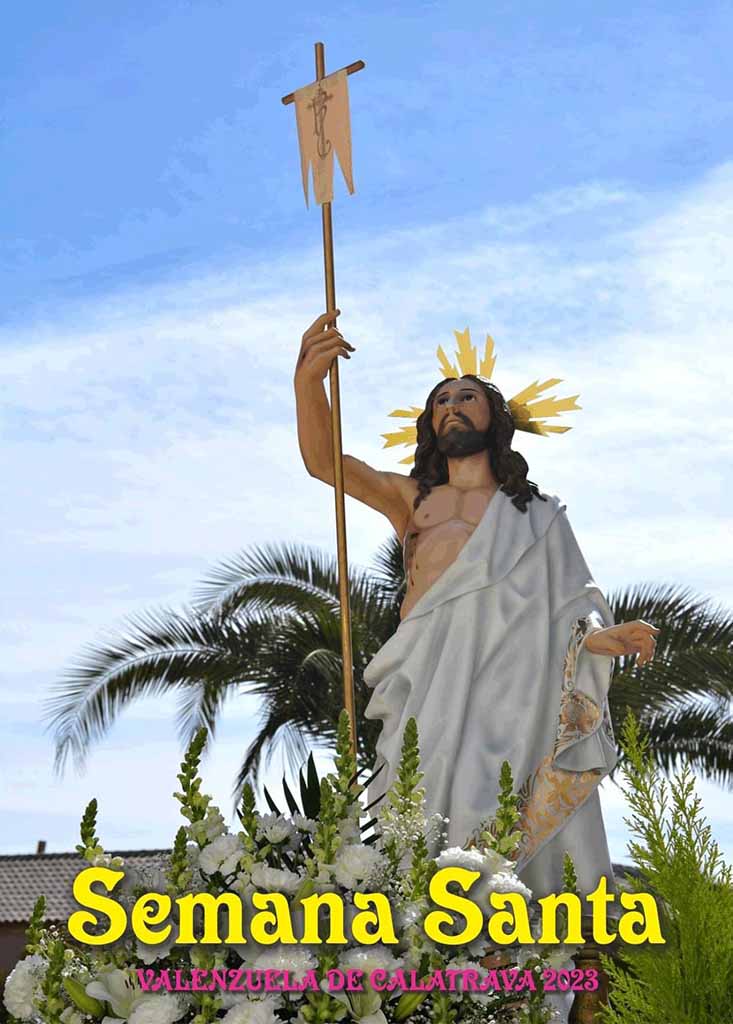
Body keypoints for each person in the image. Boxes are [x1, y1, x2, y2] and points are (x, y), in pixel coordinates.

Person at [294, 308, 658, 907]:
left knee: (500, 812)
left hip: (514, 695)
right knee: (419, 814)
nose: (452, 407)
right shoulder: (412, 500)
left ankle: (518, 967)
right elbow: (325, 464)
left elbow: (573, 603)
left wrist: (598, 638)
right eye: (441, 401)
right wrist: (308, 383)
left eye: (467, 397)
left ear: (495, 419)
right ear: (429, 423)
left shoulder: (536, 513)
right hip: (427, 687)